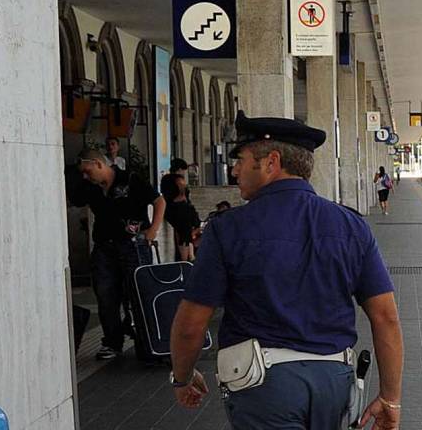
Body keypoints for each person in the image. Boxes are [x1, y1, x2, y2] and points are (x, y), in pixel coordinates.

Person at [169, 111, 403, 429]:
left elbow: (190, 325)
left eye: (241, 159)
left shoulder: (228, 229)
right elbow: (385, 317)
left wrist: (182, 377)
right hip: (334, 383)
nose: (234, 170)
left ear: (271, 163)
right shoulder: (351, 226)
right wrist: (390, 398)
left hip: (263, 388)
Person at [68, 148, 165, 360]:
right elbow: (72, 198)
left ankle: (147, 341)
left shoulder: (130, 179)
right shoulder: (90, 188)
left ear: (98, 164)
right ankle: (112, 342)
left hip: (134, 245)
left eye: (87, 171)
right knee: (105, 295)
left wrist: (152, 230)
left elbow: (159, 201)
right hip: (104, 247)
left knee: (138, 294)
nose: (86, 176)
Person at [160, 173, 201, 262]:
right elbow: (183, 234)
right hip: (184, 252)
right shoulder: (177, 209)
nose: (183, 187)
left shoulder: (186, 206)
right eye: (181, 185)